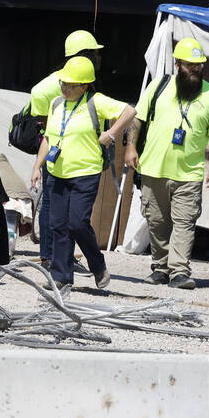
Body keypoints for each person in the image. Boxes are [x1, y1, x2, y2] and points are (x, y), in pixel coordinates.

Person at [124, 38, 209, 290]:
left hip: (189, 174)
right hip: (153, 169)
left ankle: (180, 271)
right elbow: (137, 118)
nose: (195, 70)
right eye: (189, 65)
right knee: (157, 222)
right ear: (177, 63)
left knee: (184, 222)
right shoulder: (158, 86)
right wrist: (129, 147)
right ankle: (160, 268)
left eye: (199, 66)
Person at [30, 55, 136, 294]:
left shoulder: (96, 102)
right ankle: (61, 276)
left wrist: (111, 134)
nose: (65, 88)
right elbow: (49, 138)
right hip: (56, 172)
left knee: (77, 222)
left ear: (85, 85)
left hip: (85, 173)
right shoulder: (57, 104)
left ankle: (97, 264)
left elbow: (130, 111)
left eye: (71, 85)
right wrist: (38, 165)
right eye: (63, 83)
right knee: (58, 224)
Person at [30, 29, 104, 271]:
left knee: (62, 212)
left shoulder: (79, 78)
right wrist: (46, 122)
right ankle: (50, 256)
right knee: (52, 207)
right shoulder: (56, 83)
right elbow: (38, 94)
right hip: (56, 149)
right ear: (83, 54)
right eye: (94, 53)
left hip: (72, 152)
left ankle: (58, 257)